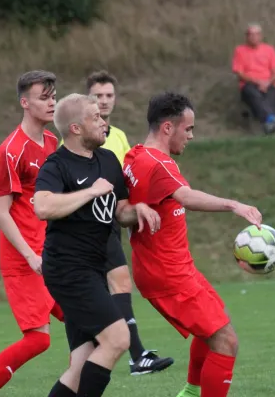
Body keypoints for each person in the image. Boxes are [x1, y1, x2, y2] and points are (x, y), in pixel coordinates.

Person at [122, 92, 263, 397]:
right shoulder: (159, 164)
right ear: (168, 128)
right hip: (168, 274)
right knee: (226, 341)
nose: (191, 136)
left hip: (171, 267)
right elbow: (185, 196)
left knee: (213, 327)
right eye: (188, 129)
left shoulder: (135, 155)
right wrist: (233, 205)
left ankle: (188, 393)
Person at [33, 93, 162, 397]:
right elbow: (42, 206)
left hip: (93, 269)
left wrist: (138, 210)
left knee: (81, 364)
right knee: (117, 339)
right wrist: (90, 192)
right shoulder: (57, 165)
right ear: (76, 128)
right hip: (67, 270)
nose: (105, 122)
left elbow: (119, 211)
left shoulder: (107, 159)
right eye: (96, 118)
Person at [0, 70, 64, 397]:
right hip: (24, 260)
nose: (52, 103)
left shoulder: (51, 141)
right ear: (24, 102)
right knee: (39, 339)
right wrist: (31, 255)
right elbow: (1, 212)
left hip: (51, 256)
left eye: (53, 96)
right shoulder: (11, 150)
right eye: (43, 97)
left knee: (95, 325)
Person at [85, 69, 174, 375]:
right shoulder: (77, 137)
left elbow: (128, 180)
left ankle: (124, 352)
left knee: (112, 288)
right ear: (88, 99)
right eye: (98, 96)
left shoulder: (119, 136)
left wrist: (137, 207)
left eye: (109, 95)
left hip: (113, 220)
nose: (104, 101)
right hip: (89, 226)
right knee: (113, 286)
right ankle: (134, 355)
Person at [232, 23, 275, 134]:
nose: (254, 37)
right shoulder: (240, 50)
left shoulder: (269, 49)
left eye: (256, 34)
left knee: (272, 95)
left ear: (261, 36)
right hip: (249, 83)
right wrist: (258, 82)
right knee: (254, 94)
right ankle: (272, 120)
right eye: (251, 34)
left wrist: (267, 82)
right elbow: (239, 73)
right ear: (247, 37)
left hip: (268, 83)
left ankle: (269, 124)